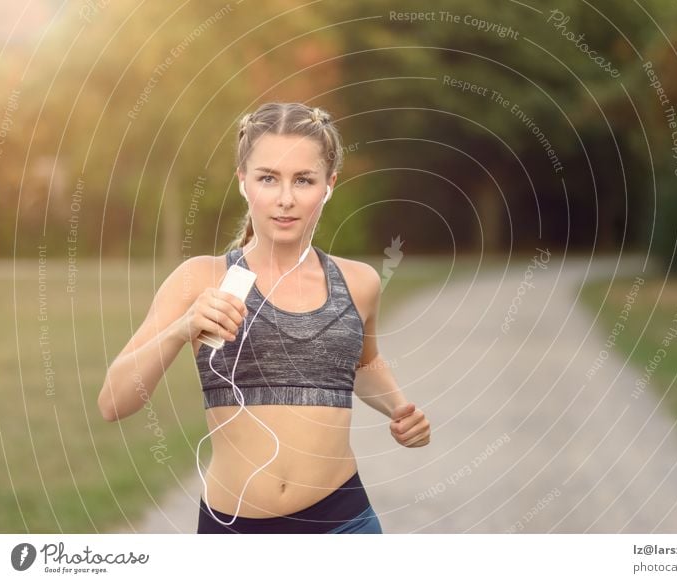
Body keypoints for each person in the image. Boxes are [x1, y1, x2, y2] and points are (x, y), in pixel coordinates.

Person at [97, 102, 431, 534]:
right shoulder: (201, 278)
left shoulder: (359, 282)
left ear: (329, 185)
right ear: (243, 182)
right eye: (268, 178)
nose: (286, 199)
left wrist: (400, 409)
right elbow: (113, 402)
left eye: (304, 180)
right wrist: (182, 330)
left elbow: (362, 363)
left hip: (344, 525)